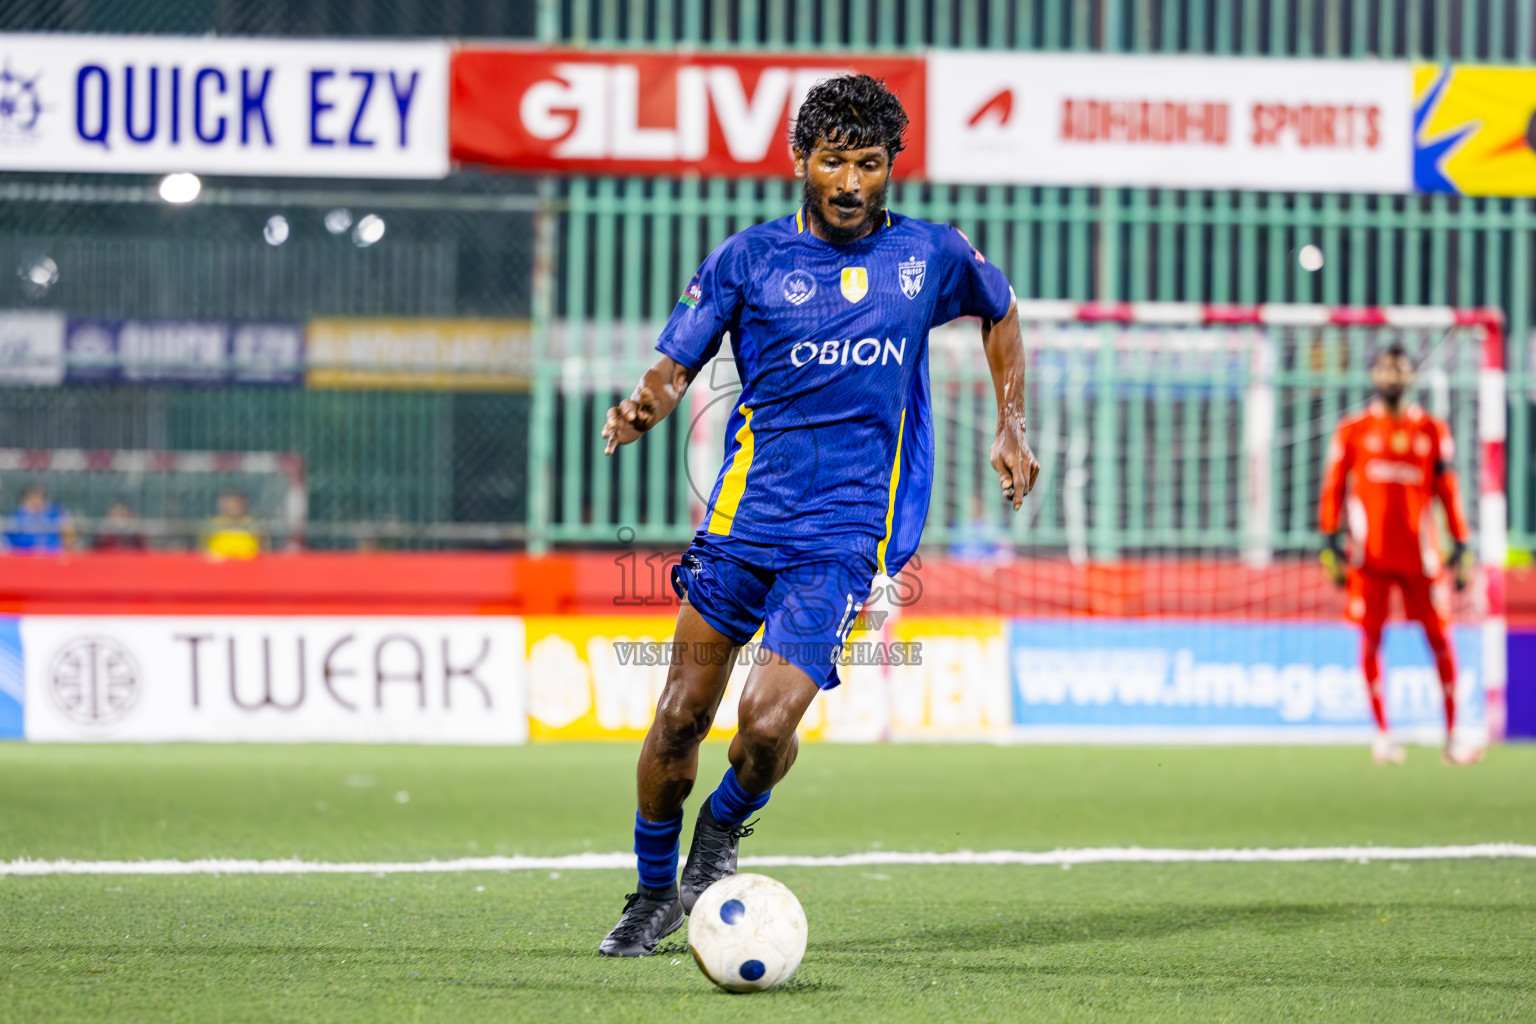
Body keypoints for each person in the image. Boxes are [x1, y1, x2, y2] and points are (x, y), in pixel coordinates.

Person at [595, 74, 1040, 957]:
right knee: (681, 715)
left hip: (843, 538)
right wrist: (641, 406)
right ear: (801, 160)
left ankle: (719, 835)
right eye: (832, 161)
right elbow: (671, 363)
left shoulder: (929, 256)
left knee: (764, 730)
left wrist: (1011, 419)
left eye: (867, 165)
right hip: (741, 527)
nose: (848, 182)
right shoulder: (748, 259)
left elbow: (1002, 311)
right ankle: (652, 896)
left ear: (889, 167)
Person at [1318, 345, 1479, 767]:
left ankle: (1454, 735)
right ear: (1373, 374)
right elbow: (1334, 488)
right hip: (1369, 557)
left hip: (1422, 557)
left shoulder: (1431, 430)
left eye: (1400, 368)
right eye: (1385, 368)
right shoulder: (1353, 429)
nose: (1392, 375)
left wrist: (1461, 544)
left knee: (1441, 640)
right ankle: (1382, 736)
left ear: (1411, 376)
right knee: (1370, 642)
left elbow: (1449, 491)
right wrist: (1329, 540)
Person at [2, 485, 74, 553]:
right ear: (23, 500)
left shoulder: (54, 515)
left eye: (40, 498)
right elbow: (5, 544)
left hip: (52, 559)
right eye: (31, 498)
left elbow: (69, 538)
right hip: (21, 559)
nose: (36, 502)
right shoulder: (15, 519)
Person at [203, 489, 261, 560]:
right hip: (218, 567)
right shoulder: (212, 524)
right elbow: (203, 552)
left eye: (236, 502)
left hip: (247, 566)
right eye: (228, 502)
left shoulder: (254, 524)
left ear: (243, 503)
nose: (232, 506)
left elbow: (262, 552)